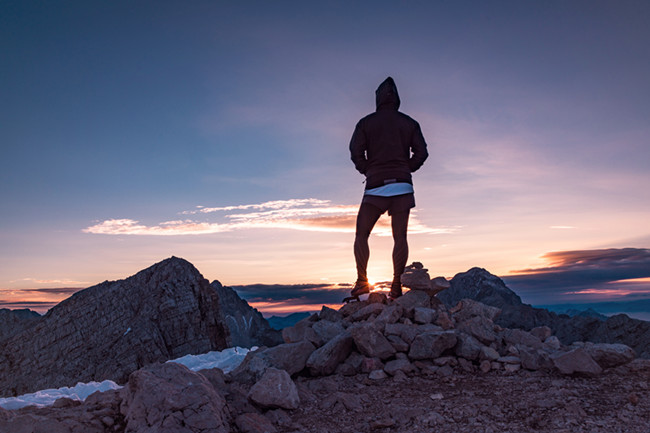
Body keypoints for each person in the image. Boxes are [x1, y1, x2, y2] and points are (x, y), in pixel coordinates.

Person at [349, 76, 428, 300]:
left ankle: (362, 282)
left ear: (377, 98)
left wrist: (368, 170)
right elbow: (422, 153)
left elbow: (356, 152)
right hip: (402, 186)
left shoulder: (365, 123)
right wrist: (405, 169)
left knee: (362, 234)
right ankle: (396, 286)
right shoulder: (410, 123)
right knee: (400, 237)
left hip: (375, 187)